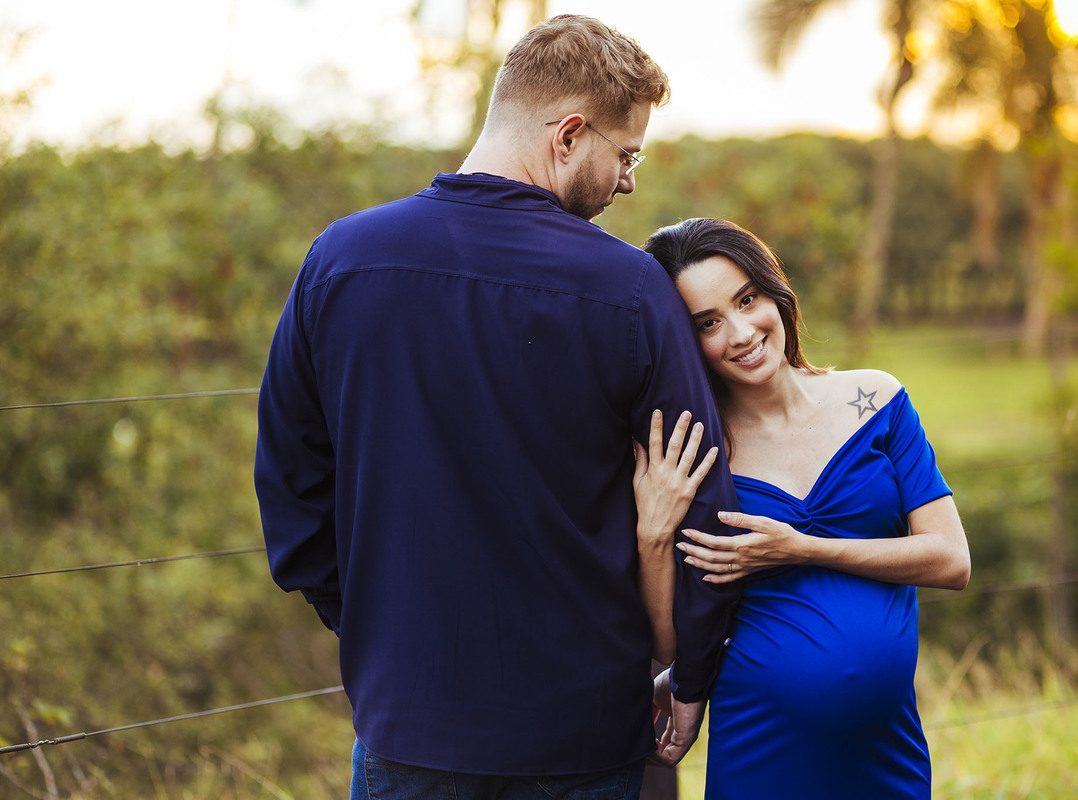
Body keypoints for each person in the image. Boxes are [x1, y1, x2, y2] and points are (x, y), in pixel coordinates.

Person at [253, 15, 741, 800]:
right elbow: (705, 513)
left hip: (410, 724)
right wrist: (688, 683)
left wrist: (377, 628)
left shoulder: (340, 261)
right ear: (569, 135)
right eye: (626, 153)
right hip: (583, 738)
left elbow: (290, 486)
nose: (628, 181)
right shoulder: (632, 290)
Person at [634, 218, 971, 798]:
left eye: (747, 300)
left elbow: (950, 561)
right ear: (685, 343)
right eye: (708, 323)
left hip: (886, 749)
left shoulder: (878, 401)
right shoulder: (695, 449)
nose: (740, 333)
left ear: (776, 293)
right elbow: (665, 637)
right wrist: (653, 535)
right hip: (761, 739)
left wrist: (802, 549)